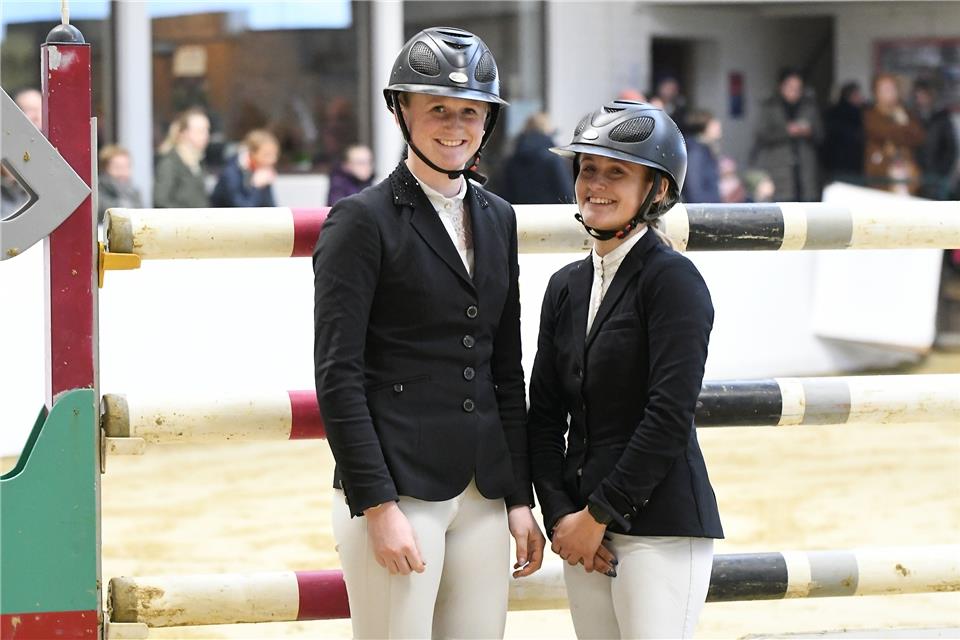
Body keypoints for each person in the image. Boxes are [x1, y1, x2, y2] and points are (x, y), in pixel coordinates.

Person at [312, 27, 545, 639]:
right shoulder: (360, 221)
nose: (455, 125)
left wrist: (519, 496)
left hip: (483, 493)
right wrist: (377, 506)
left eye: (470, 111)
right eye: (437, 108)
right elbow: (338, 375)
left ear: (488, 120)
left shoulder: (500, 219)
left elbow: (503, 367)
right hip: (400, 488)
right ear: (402, 111)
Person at [529, 99, 723, 640]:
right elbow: (543, 414)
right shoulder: (565, 287)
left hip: (657, 523)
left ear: (657, 190)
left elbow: (667, 416)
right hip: (582, 531)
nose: (596, 184)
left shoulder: (673, 282)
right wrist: (561, 515)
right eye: (588, 169)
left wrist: (598, 515)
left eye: (617, 172)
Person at [753, 68, 823, 201]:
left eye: (798, 88)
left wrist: (808, 132)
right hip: (780, 171)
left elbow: (820, 135)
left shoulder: (809, 107)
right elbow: (761, 135)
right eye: (791, 87)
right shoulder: (770, 107)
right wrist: (787, 131)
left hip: (805, 171)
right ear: (781, 87)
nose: (795, 92)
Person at [863, 73, 926, 196]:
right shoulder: (871, 115)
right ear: (876, 93)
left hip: (908, 174)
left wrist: (903, 120)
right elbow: (883, 133)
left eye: (892, 89)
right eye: (885, 89)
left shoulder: (904, 113)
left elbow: (919, 137)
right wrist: (903, 130)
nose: (890, 93)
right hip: (881, 175)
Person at [493, 112, 574, 204]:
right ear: (547, 131)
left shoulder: (512, 160)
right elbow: (567, 194)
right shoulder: (553, 159)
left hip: (520, 216)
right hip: (551, 215)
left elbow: (504, 195)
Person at [153, 108, 210, 208]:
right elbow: (160, 200)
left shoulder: (198, 161)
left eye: (207, 130)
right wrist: (185, 218)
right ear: (184, 133)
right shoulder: (170, 162)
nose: (205, 136)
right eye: (200, 131)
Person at [911, 79, 958, 200]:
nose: (920, 99)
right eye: (918, 95)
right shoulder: (913, 117)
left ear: (931, 96)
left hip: (937, 177)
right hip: (917, 176)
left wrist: (942, 171)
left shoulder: (942, 119)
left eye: (923, 95)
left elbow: (950, 149)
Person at [211, 129, 279, 208]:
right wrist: (256, 186)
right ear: (252, 153)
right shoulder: (230, 173)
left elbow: (270, 207)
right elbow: (243, 210)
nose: (273, 159)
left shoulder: (261, 171)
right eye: (267, 155)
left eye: (275, 154)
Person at [821, 81, 866, 185]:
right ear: (852, 96)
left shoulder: (831, 113)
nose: (861, 98)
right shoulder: (858, 115)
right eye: (858, 95)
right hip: (851, 166)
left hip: (833, 166)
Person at [681, 109, 722, 203]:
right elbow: (694, 189)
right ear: (705, 127)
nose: (718, 126)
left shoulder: (705, 150)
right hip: (704, 211)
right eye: (713, 124)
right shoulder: (696, 152)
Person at [97, 145, 144, 223]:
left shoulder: (135, 193)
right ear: (104, 169)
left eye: (126, 167)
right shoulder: (98, 194)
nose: (123, 172)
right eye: (117, 167)